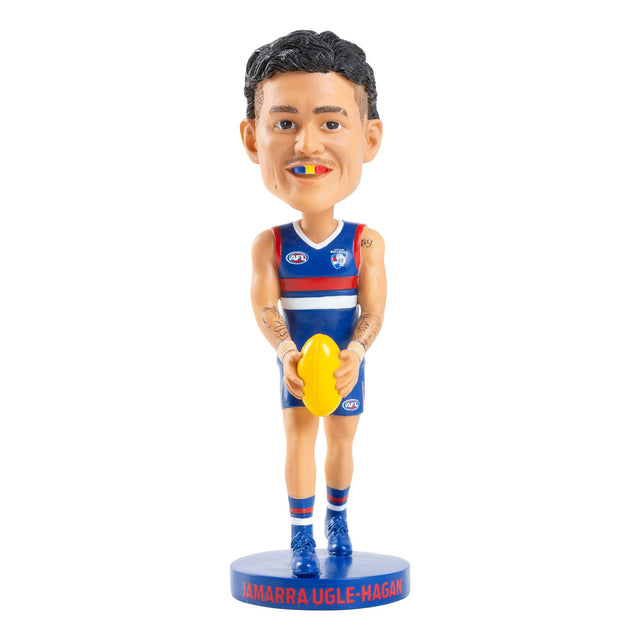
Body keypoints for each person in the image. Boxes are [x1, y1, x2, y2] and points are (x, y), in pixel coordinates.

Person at [241, 30, 386, 577]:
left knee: (342, 441)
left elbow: (373, 310)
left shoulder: (364, 242)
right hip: (298, 364)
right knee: (299, 439)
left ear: (369, 138)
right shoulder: (271, 245)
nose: (307, 145)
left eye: (330, 123)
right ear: (252, 139)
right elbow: (265, 308)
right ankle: (301, 534)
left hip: (346, 362)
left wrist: (355, 353)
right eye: (284, 123)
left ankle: (338, 520)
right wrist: (286, 353)